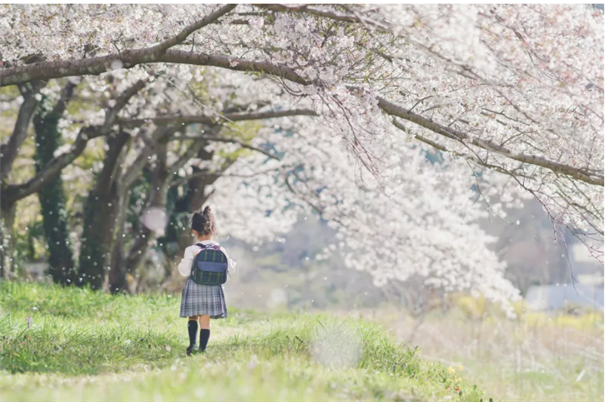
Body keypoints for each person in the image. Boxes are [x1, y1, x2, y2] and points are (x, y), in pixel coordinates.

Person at [178, 206, 235, 356]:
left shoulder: (192, 249)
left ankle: (192, 345)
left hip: (195, 285)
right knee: (205, 319)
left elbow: (184, 271)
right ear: (213, 231)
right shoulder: (220, 249)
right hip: (213, 287)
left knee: (193, 316)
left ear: (194, 232)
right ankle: (203, 349)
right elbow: (231, 268)